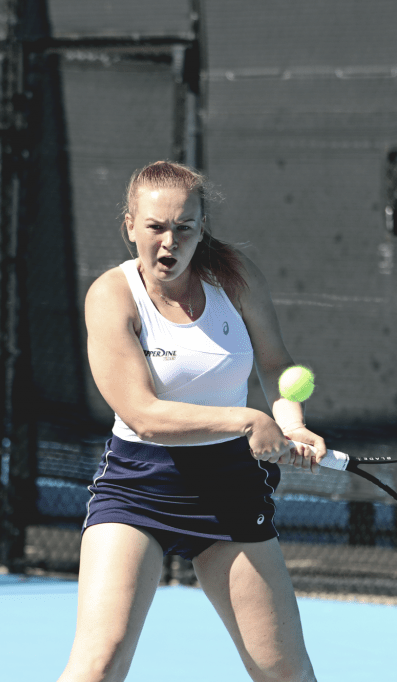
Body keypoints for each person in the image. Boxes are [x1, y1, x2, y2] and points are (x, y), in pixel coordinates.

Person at [57, 161, 327, 682]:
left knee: (284, 673)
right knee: (100, 661)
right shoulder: (111, 296)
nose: (169, 242)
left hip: (230, 490)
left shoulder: (236, 276)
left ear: (202, 229)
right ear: (129, 225)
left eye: (184, 228)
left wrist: (290, 424)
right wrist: (248, 420)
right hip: (139, 486)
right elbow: (144, 415)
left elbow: (276, 365)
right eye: (156, 227)